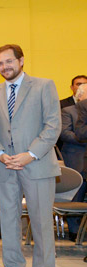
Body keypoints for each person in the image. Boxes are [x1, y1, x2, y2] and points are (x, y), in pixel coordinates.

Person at [0, 44, 60, 267]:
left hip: (36, 164)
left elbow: (52, 126)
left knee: (40, 223)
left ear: (21, 60)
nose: (4, 66)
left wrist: (29, 155)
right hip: (5, 165)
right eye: (0, 63)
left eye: (9, 61)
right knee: (8, 220)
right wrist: (0, 154)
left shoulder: (43, 85)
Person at [60, 83, 87, 242]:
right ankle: (74, 231)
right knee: (76, 196)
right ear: (80, 96)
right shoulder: (68, 111)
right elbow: (64, 133)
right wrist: (82, 138)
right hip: (76, 158)